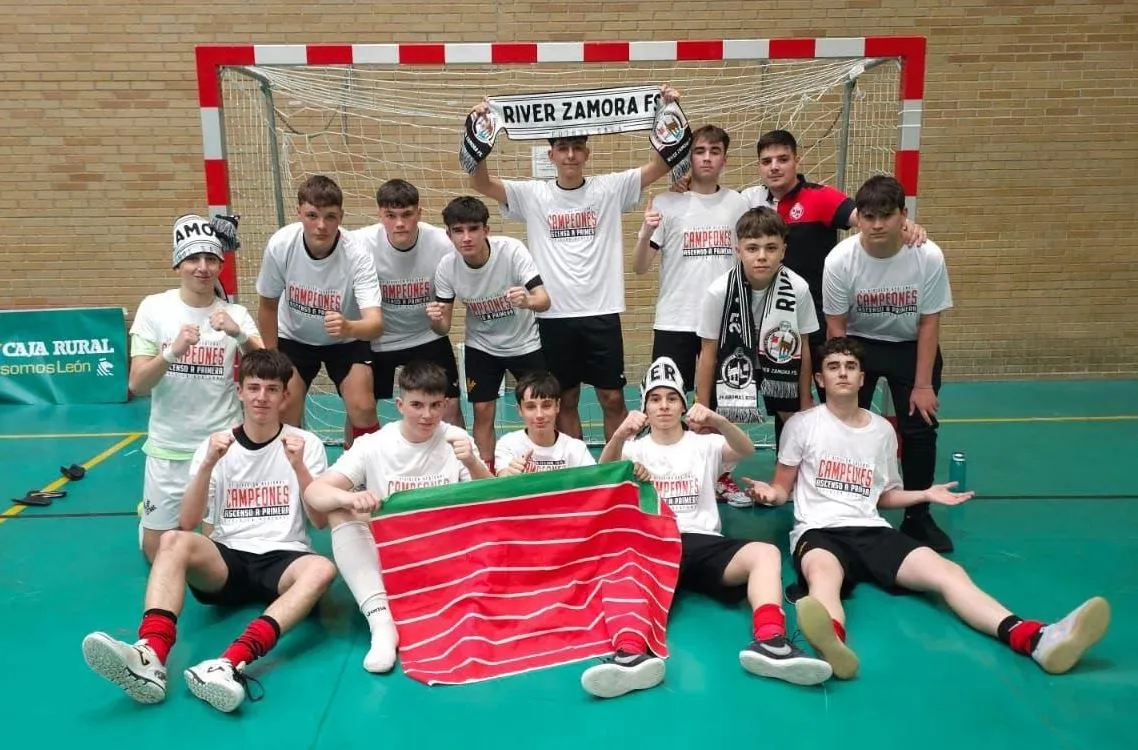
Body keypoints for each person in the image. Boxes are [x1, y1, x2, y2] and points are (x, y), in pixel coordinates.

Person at [743, 337, 1112, 680]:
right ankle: (832, 645)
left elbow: (884, 496)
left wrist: (925, 494)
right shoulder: (802, 426)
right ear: (820, 379)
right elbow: (782, 487)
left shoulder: (881, 431)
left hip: (872, 530)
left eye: (850, 366)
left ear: (862, 378)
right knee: (824, 579)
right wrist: (769, 494)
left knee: (947, 572)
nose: (843, 373)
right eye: (834, 366)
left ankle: (1033, 638)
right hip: (819, 531)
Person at [82, 348, 337, 713]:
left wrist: (298, 467)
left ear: (285, 396)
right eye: (254, 388)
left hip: (284, 557)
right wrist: (206, 466)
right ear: (240, 391)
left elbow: (319, 521)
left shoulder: (305, 444)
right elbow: (188, 522)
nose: (262, 397)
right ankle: (151, 653)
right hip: (227, 559)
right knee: (173, 539)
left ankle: (228, 663)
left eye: (271, 389)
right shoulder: (216, 444)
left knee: (323, 569)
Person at [582, 356, 833, 699]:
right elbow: (601, 475)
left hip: (703, 543)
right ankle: (630, 655)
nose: (664, 406)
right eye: (655, 399)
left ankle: (771, 641)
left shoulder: (704, 444)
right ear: (645, 407)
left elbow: (745, 448)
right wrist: (620, 434)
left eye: (671, 398)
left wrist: (717, 419)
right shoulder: (634, 449)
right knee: (620, 565)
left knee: (765, 553)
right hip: (655, 544)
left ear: (683, 405)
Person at [467, 85, 684, 441]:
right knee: (565, 400)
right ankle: (579, 465)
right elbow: (480, 181)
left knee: (612, 398)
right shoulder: (533, 194)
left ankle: (616, 464)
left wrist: (667, 111)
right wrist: (480, 131)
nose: (570, 155)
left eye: (577, 147)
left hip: (602, 311)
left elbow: (663, 162)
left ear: (587, 152)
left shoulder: (610, 187)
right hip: (554, 316)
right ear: (551, 154)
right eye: (563, 148)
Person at [304, 360, 492, 674]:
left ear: (445, 404)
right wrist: (351, 497)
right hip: (393, 555)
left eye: (435, 405)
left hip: (446, 553)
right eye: (417, 405)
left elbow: (493, 500)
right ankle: (381, 624)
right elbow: (315, 493)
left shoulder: (457, 439)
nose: (427, 415)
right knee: (339, 510)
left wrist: (472, 462)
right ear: (400, 405)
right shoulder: (373, 444)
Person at [822, 175, 953, 551]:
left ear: (903, 215)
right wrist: (840, 376)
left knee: (920, 428)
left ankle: (918, 516)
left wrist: (923, 385)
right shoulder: (840, 260)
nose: (877, 224)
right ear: (858, 219)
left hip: (909, 345)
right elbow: (836, 325)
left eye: (886, 215)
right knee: (845, 425)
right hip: (858, 344)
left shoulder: (927, 256)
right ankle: (847, 508)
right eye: (869, 216)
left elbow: (929, 322)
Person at [130, 213, 262, 562]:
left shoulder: (235, 314)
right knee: (157, 556)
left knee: (219, 555)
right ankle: (150, 516)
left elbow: (269, 367)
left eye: (211, 259)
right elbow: (138, 384)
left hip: (220, 446)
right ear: (178, 264)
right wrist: (171, 352)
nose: (202, 268)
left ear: (220, 265)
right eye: (193, 259)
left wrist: (239, 334)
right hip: (169, 449)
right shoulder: (154, 308)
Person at [633, 124, 751, 505]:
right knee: (667, 397)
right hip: (675, 317)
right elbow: (639, 267)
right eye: (699, 151)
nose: (706, 158)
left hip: (724, 321)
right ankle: (665, 471)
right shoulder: (667, 203)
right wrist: (644, 232)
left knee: (717, 403)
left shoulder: (738, 204)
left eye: (714, 151)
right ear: (689, 157)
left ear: (724, 158)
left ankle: (720, 475)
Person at [694, 207, 818, 506]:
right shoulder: (719, 291)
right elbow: (708, 351)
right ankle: (717, 477)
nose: (762, 256)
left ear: (783, 251)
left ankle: (790, 480)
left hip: (781, 363)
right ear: (738, 251)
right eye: (752, 248)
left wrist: (804, 401)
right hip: (735, 362)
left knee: (795, 419)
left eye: (771, 248)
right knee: (712, 418)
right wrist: (702, 404)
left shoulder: (798, 288)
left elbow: (803, 347)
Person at [255, 175, 383, 447]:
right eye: (312, 216)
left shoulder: (357, 254)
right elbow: (267, 305)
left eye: (330, 217)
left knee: (363, 407)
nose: (321, 225)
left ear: (341, 217)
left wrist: (349, 327)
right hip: (294, 337)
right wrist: (272, 357)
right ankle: (291, 470)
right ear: (299, 213)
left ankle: (360, 467)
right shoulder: (281, 245)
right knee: (284, 408)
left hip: (346, 341)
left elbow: (375, 324)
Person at [426, 196, 550, 472]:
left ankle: (545, 465)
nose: (466, 237)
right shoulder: (447, 267)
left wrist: (527, 301)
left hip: (524, 343)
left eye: (473, 229)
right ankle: (487, 474)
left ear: (486, 230)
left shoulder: (511, 250)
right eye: (458, 231)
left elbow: (544, 300)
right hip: (481, 346)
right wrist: (435, 320)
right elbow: (443, 327)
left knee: (539, 407)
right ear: (448, 235)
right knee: (482, 411)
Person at [348, 179, 466, 431]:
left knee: (451, 407)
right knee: (360, 408)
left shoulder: (442, 244)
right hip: (378, 338)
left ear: (419, 213)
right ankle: (354, 455)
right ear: (380, 215)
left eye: (407, 214)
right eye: (391, 216)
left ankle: (459, 456)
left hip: (425, 334)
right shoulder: (359, 243)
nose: (400, 223)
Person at [494, 370, 595, 476]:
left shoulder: (575, 448)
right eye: (530, 407)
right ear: (519, 409)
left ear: (557, 406)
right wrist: (509, 476)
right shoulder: (508, 444)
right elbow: (502, 478)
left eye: (546, 406)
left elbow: (595, 481)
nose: (539, 415)